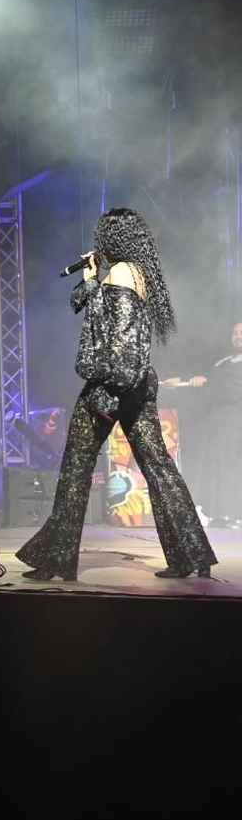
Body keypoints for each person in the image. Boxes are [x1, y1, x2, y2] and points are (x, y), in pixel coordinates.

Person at [17, 208, 217, 581]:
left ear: (114, 239)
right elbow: (96, 314)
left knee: (75, 470)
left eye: (103, 237)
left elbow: (116, 338)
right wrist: (92, 281)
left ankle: (57, 559)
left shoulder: (121, 273)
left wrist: (106, 392)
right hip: (137, 384)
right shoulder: (139, 273)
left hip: (113, 384)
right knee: (159, 468)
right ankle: (191, 552)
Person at [161, 319, 242, 518]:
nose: (237, 337)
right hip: (218, 423)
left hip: (236, 421)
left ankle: (234, 512)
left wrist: (205, 383)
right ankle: (220, 513)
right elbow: (206, 376)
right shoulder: (224, 361)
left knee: (233, 464)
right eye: (235, 333)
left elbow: (229, 387)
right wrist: (181, 381)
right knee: (216, 464)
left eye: (241, 333)